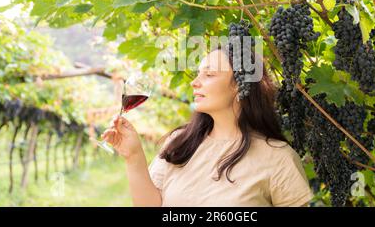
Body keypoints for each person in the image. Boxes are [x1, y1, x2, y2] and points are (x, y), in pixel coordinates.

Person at [101, 46, 313, 207]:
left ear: (240, 86)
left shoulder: (277, 158)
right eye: (198, 73)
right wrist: (134, 156)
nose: (195, 82)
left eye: (209, 75)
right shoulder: (180, 142)